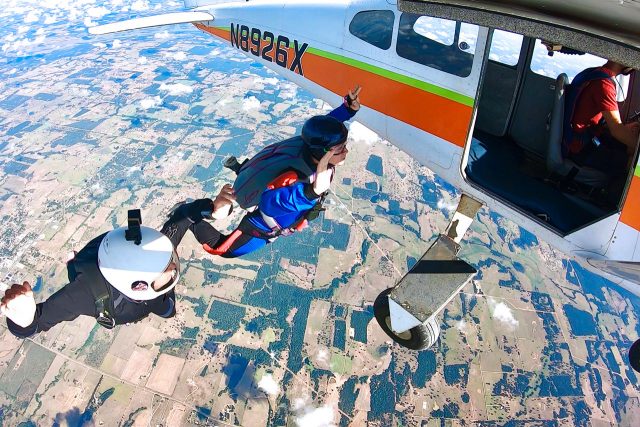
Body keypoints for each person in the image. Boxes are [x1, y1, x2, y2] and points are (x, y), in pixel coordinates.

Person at [0, 187, 235, 338]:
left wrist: (212, 210)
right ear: (139, 284)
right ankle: (75, 263)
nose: (173, 268)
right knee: (168, 310)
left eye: (169, 260)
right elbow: (36, 324)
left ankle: (77, 261)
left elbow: (184, 216)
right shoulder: (85, 294)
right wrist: (22, 318)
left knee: (167, 307)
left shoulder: (156, 253)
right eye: (166, 270)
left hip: (121, 270)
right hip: (115, 304)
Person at [174, 85, 363, 258]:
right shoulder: (300, 178)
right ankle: (186, 214)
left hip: (276, 189)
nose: (346, 151)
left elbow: (323, 129)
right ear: (324, 152)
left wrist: (347, 110)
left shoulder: (306, 143)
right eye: (340, 149)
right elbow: (269, 204)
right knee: (221, 249)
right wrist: (311, 192)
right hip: (261, 224)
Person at [563, 60, 640, 176]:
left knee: (624, 149)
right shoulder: (604, 83)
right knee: (630, 162)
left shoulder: (594, 72)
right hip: (580, 147)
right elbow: (616, 129)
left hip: (580, 137)